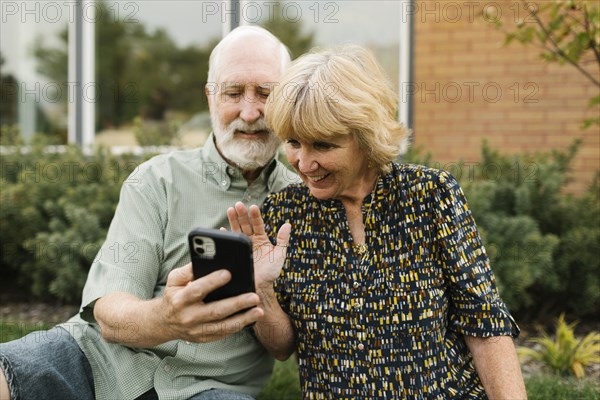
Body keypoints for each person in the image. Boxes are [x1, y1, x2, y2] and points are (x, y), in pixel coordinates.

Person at [0, 26, 300, 400]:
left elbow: (282, 348)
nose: (250, 111)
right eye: (234, 93)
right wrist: (167, 319)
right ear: (210, 98)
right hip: (97, 360)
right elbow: (110, 310)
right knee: (10, 370)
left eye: (267, 94)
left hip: (208, 388)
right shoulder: (156, 180)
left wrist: (263, 293)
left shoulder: (303, 199)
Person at [227, 45, 528, 399]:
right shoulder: (284, 215)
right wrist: (262, 291)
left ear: (365, 136)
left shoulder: (430, 196)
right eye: (294, 143)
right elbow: (281, 348)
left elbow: (485, 326)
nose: (304, 164)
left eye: (323, 146)